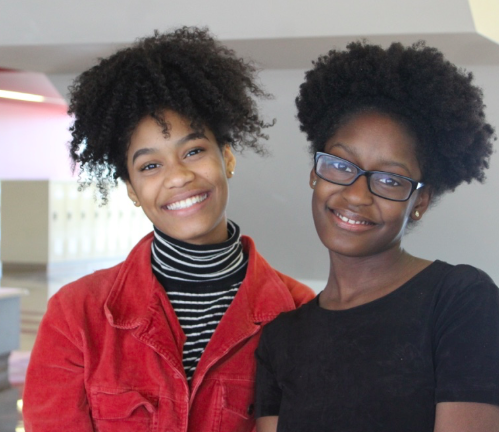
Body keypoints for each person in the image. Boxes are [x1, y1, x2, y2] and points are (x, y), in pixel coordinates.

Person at [22, 27, 314, 432]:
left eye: (193, 151)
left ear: (227, 158)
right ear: (132, 191)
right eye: (150, 166)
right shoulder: (76, 316)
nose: (177, 177)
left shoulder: (299, 313)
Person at [255, 41, 499, 432]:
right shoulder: (281, 337)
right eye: (341, 165)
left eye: (390, 179)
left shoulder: (460, 301)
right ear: (315, 171)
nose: (357, 195)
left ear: (420, 200)